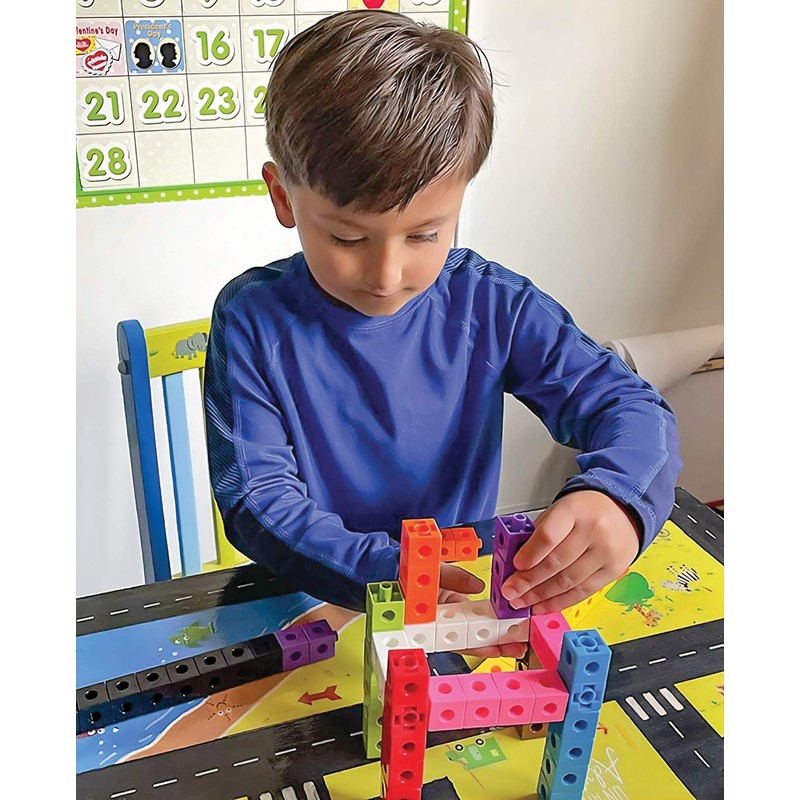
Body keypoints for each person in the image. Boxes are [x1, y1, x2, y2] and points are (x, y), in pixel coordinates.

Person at [203, 11, 681, 657]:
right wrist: (388, 573)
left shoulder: (491, 304)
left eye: (425, 234)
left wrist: (620, 497)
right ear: (284, 198)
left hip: (462, 602)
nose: (387, 275)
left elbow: (629, 405)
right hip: (319, 599)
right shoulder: (250, 320)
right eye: (347, 237)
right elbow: (256, 499)